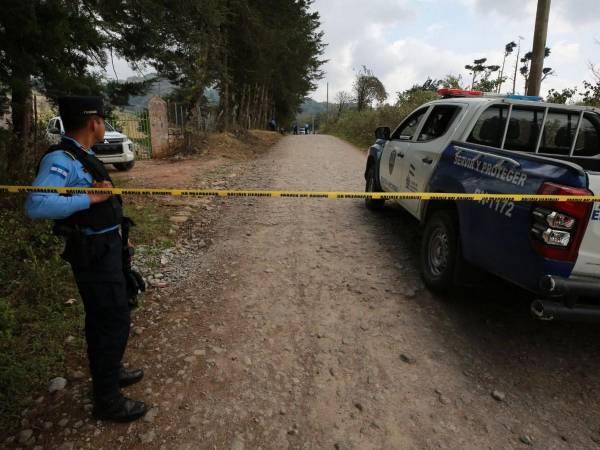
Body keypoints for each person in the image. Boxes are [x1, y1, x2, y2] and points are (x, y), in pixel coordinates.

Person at [25, 96, 148, 423]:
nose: (104, 124)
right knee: (110, 320)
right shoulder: (62, 159)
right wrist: (90, 196)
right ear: (93, 122)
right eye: (103, 119)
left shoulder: (83, 154)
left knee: (111, 313)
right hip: (93, 256)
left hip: (108, 249)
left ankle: (111, 371)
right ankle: (108, 401)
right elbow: (37, 204)